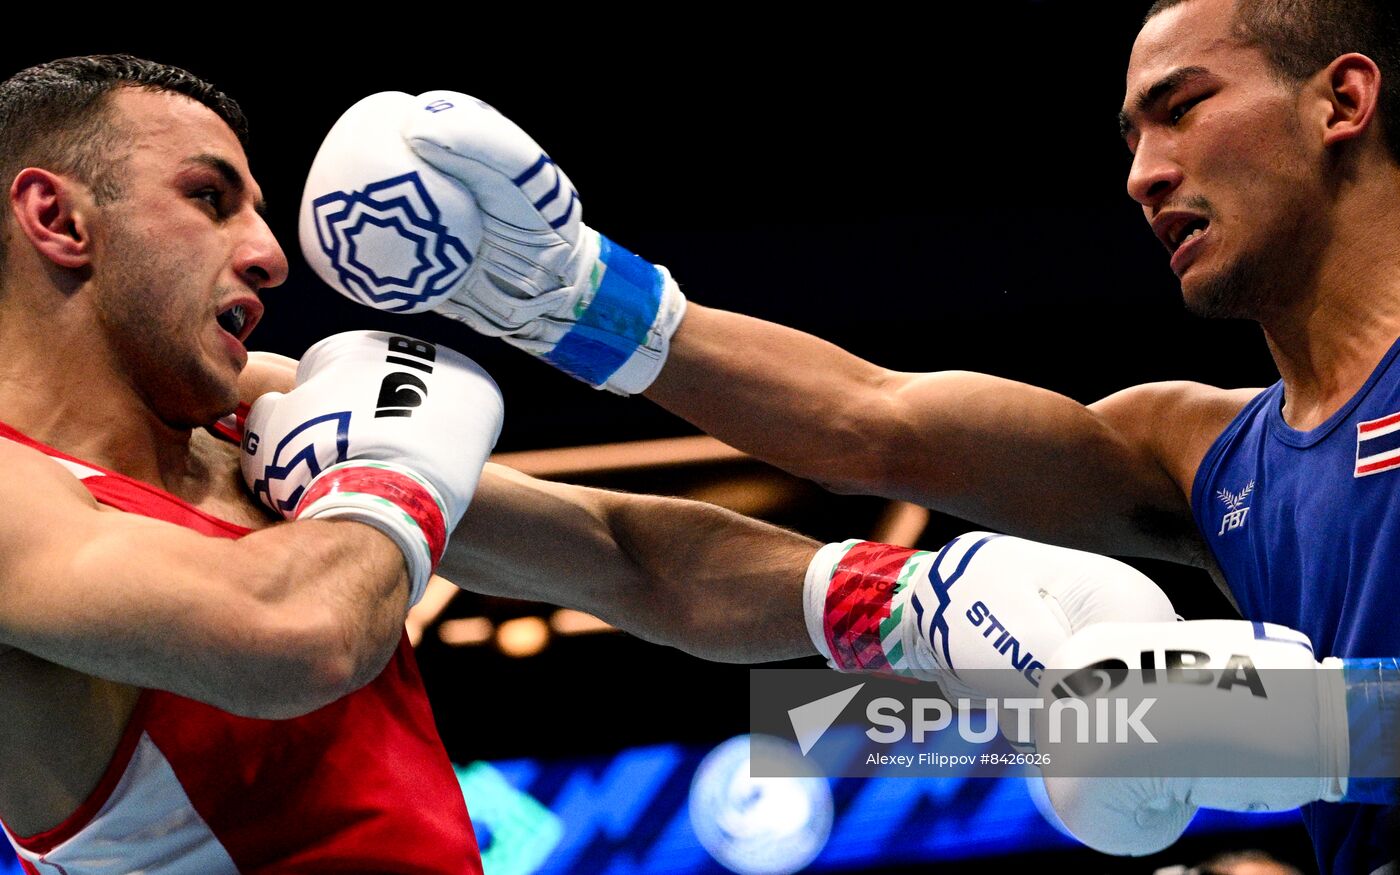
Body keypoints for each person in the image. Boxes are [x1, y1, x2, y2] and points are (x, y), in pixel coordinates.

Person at [294, 0, 1400, 870]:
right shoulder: (1200, 448)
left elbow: (1314, 730)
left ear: (1341, 99)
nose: (1142, 172)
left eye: (1182, 107)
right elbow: (871, 423)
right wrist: (569, 297)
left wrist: (1302, 729)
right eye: (1131, 134)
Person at [0, 53, 1166, 872]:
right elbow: (293, 634)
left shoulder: (247, 420)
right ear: (57, 217)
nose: (267, 252)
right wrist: (391, 474)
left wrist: (895, 599)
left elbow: (623, 558)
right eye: (210, 198)